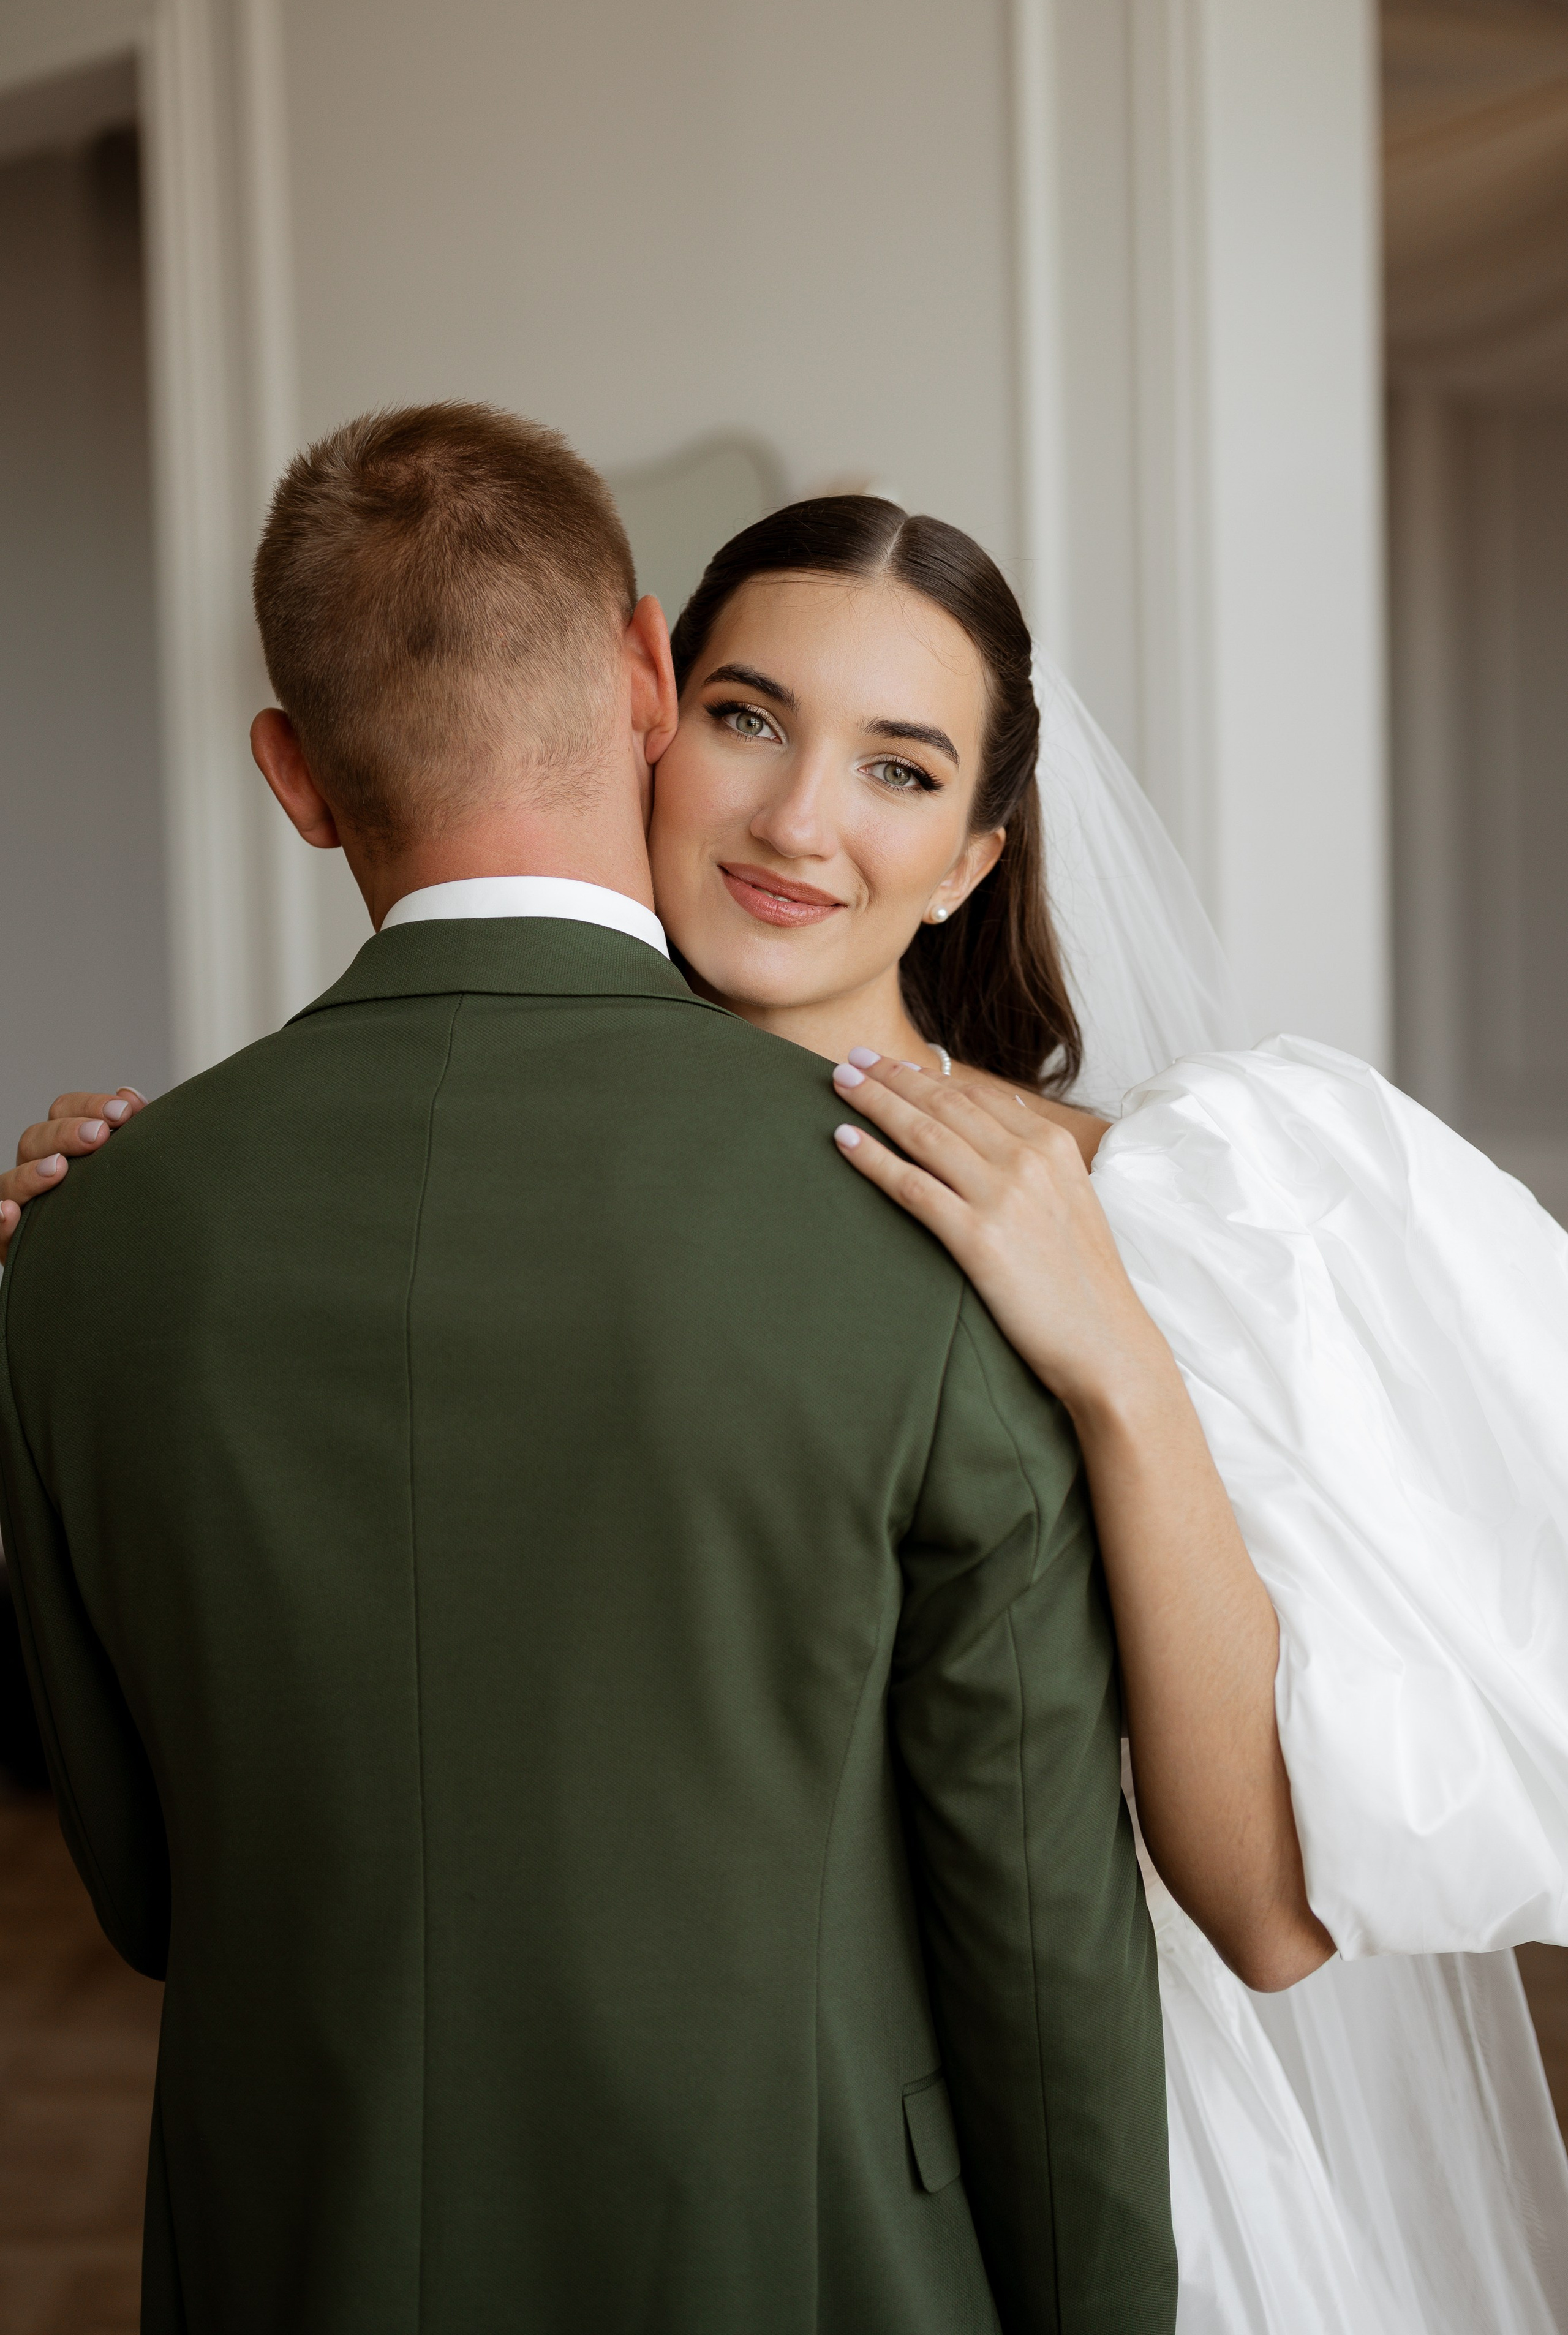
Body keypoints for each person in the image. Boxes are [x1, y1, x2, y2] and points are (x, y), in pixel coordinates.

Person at [9, 455, 1568, 2329]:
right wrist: (123, 1232)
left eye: (903, 769)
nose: (800, 820)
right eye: (753, 721)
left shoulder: (1167, 1201)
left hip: (1055, 2176)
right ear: (649, 710)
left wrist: (1120, 1362)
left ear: (978, 855)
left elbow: (1260, 1911)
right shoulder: (304, 1185)